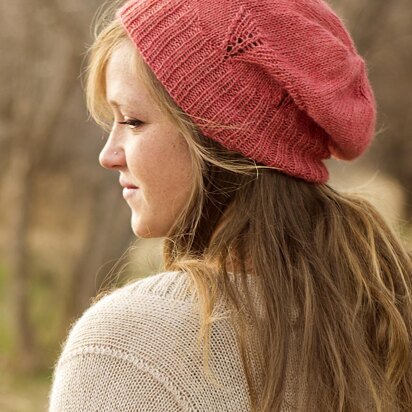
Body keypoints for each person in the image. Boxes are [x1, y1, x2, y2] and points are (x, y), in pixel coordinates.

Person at [48, 0, 412, 410]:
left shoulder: (124, 349)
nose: (109, 155)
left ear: (221, 140)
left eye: (133, 121)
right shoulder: (385, 317)